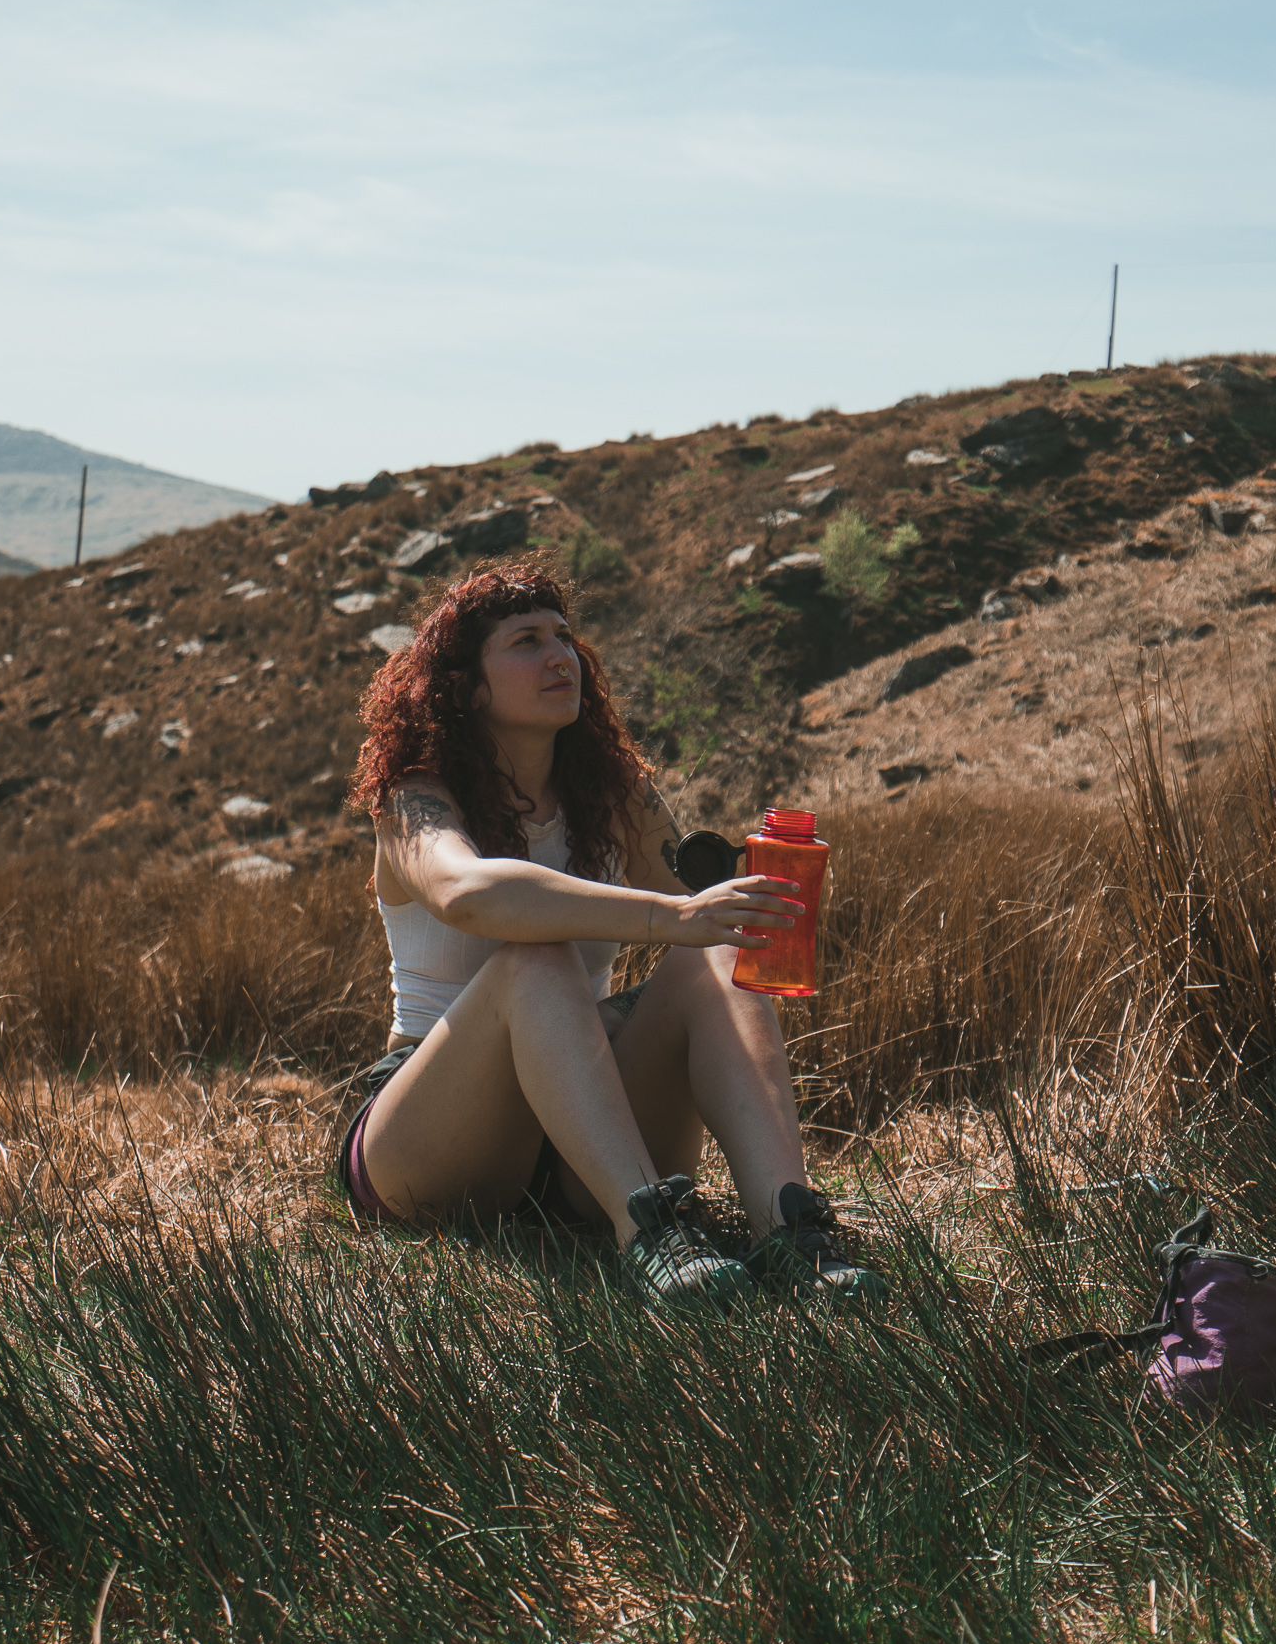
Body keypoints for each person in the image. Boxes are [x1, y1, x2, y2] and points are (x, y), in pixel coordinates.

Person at [338, 558, 883, 1308]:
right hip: (436, 1135)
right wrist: (672, 919)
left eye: (564, 637)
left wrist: (748, 904)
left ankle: (791, 1233)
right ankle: (652, 1236)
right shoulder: (416, 798)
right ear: (464, 687)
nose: (560, 655)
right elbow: (467, 894)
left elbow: (701, 907)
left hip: (583, 1137)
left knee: (716, 961)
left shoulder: (611, 794)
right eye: (526, 641)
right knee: (538, 959)